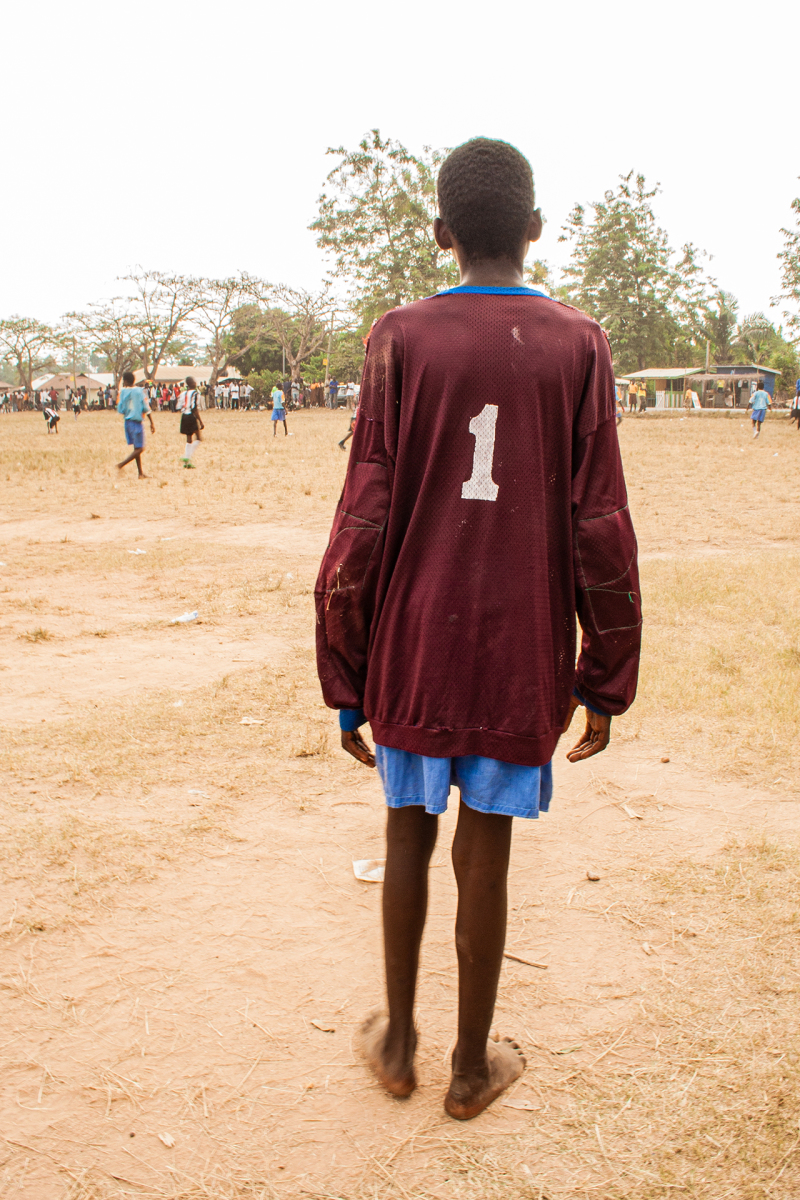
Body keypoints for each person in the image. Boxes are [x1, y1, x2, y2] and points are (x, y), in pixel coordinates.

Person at [315, 137, 641, 1122]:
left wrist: (343, 670)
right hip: (517, 655)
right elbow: (598, 521)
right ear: (533, 231)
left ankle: (400, 1045)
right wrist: (604, 675)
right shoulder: (577, 341)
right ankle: (468, 1068)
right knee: (485, 847)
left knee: (406, 833)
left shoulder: (398, 338)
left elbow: (362, 515)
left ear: (441, 234)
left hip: (410, 646)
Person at [116, 370, 155, 477]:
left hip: (127, 422)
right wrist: (151, 422)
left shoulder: (123, 392)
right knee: (141, 448)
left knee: (136, 448)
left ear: (126, 381)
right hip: (137, 422)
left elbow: (120, 409)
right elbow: (146, 407)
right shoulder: (139, 391)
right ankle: (121, 464)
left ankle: (140, 473)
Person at [178, 375, 204, 467]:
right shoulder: (195, 393)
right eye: (194, 381)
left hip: (184, 416)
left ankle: (187, 463)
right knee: (199, 438)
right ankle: (187, 456)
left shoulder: (183, 393)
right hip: (191, 416)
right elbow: (194, 408)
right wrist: (200, 421)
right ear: (191, 383)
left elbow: (179, 406)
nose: (195, 382)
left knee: (189, 439)